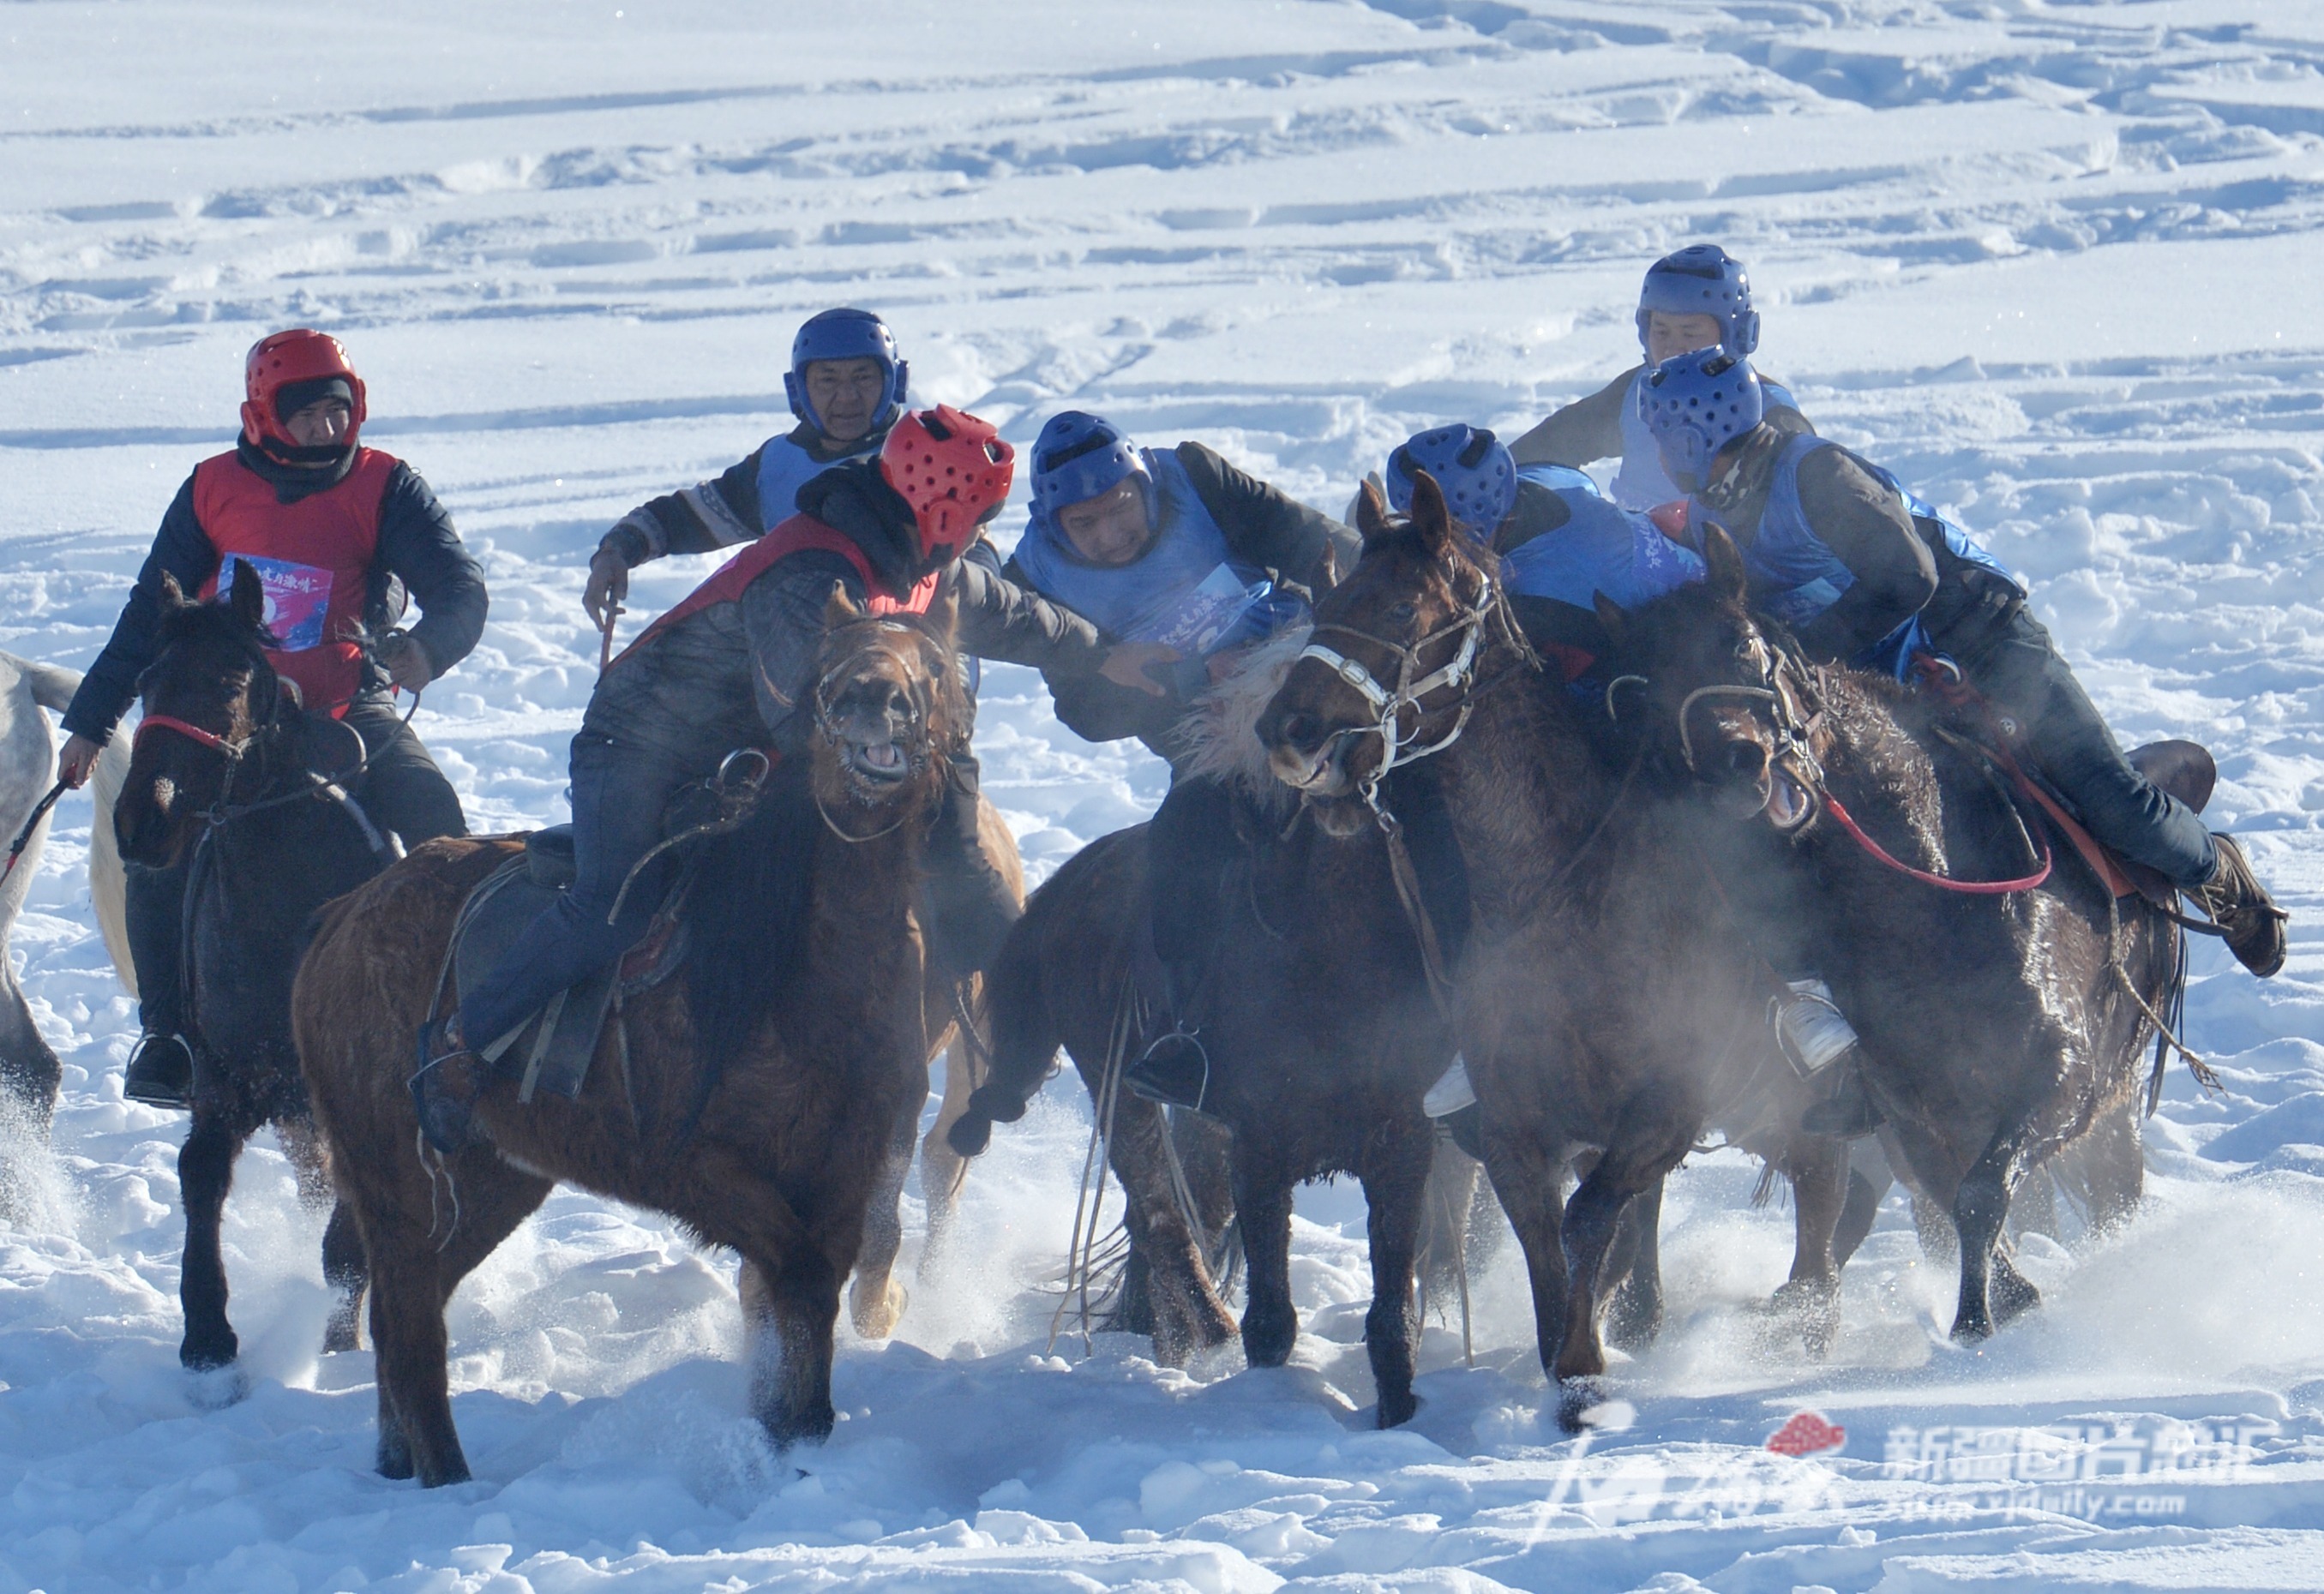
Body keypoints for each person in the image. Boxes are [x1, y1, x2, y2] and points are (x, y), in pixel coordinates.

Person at [413, 406, 1130, 1153]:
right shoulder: (810, 571)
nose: (984, 534)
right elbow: (804, 718)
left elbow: (1016, 616)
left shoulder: (926, 560)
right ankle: (458, 1044)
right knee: (614, 905)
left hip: (755, 751)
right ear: (943, 506)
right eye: (980, 515)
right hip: (642, 742)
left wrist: (1108, 656)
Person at [1639, 347, 2286, 1128]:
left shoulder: (1813, 474)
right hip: (1872, 680)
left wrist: (1815, 656)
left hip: (1978, 637)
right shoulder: (1713, 514)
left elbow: (1909, 577)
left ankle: (2221, 877)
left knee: (2109, 797)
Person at [55, 329, 488, 1109]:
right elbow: (146, 614)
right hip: (225, 717)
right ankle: (170, 1038)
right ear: (262, 413)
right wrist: (91, 720)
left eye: (338, 410)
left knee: (435, 814)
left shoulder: (386, 485)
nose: (328, 428)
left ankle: (465, 1020)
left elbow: (460, 588)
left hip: (346, 701)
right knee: (156, 841)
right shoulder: (211, 488)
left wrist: (426, 649)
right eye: (308, 414)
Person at [1003, 412, 1357, 1111]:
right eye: (1086, 525)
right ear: (1054, 525)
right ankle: (1190, 1038)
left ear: (1143, 485)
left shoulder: (1197, 477)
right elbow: (1081, 711)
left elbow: (1318, 541)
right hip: (1210, 748)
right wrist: (1192, 679)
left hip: (1316, 697)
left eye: (1121, 510)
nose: (1111, 534)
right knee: (1183, 855)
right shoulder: (1032, 578)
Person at [581, 307, 914, 632]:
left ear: (893, 381)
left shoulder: (931, 451)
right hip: (797, 655)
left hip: (915, 651)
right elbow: (683, 518)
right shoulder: (777, 468)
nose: (846, 397)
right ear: (799, 390)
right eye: (827, 380)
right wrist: (616, 551)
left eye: (863, 378)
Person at [1507, 244, 1814, 510]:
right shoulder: (1635, 393)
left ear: (1737, 335)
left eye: (1691, 333)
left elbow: (1808, 505)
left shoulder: (1771, 411)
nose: (1673, 346)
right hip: (1635, 564)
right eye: (1661, 331)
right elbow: (1555, 440)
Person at [1382, 423, 1706, 675]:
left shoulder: (1537, 594)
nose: (1425, 538)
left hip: (1681, 641)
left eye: (1430, 526)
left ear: (1465, 527)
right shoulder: (1536, 480)